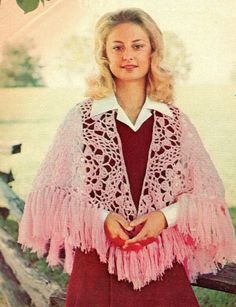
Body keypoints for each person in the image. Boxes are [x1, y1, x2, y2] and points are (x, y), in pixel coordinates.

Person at [17, 8, 236, 307]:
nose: (128, 55)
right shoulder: (82, 119)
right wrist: (102, 218)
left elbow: (208, 195)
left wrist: (163, 217)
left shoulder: (174, 121)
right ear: (105, 55)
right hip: (97, 265)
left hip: (161, 264)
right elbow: (52, 193)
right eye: (117, 47)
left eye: (137, 45)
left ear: (152, 51)